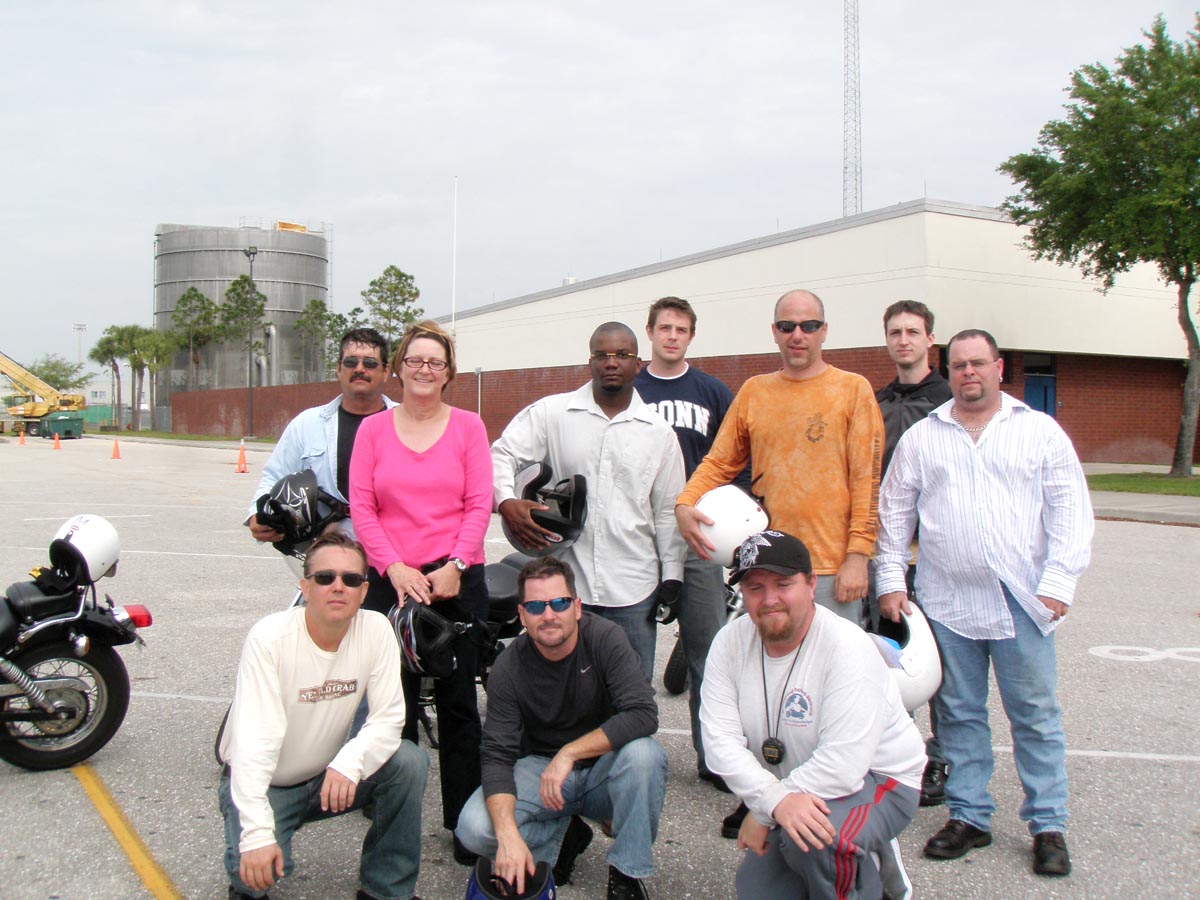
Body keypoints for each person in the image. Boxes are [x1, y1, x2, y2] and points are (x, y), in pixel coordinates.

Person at [876, 328, 1093, 878]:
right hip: (947, 602)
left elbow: (1069, 507)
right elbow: (894, 511)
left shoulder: (1038, 431)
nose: (968, 372)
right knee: (957, 713)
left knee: (1035, 715)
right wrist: (891, 580)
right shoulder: (924, 437)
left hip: (1023, 600)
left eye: (978, 363)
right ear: (948, 372)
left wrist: (1059, 580)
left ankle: (1048, 825)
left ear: (999, 368)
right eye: (959, 365)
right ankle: (969, 816)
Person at [700, 530, 925, 900]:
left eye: (783, 584)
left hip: (878, 780)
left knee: (816, 841)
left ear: (811, 584)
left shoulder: (847, 647)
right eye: (755, 588)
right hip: (794, 785)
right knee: (757, 891)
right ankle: (863, 855)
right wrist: (775, 803)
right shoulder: (729, 643)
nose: (769, 599)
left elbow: (844, 764)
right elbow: (719, 744)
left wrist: (764, 810)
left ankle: (869, 872)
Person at [349, 319, 493, 864]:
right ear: (399, 368)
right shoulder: (373, 432)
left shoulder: (468, 428)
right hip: (393, 583)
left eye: (435, 362)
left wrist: (456, 563)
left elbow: (479, 503)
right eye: (415, 360)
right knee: (395, 710)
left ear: (449, 372)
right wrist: (393, 568)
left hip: (456, 581)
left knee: (459, 709)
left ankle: (464, 826)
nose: (425, 370)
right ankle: (395, 826)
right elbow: (363, 508)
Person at [217, 531, 428, 900]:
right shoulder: (269, 638)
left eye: (351, 579)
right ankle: (254, 845)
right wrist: (257, 834)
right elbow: (255, 741)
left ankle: (387, 888)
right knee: (253, 879)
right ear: (305, 586)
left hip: (327, 775)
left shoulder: (376, 630)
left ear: (364, 590)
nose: (338, 587)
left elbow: (388, 718)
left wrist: (348, 762)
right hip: (268, 784)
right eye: (325, 577)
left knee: (409, 762)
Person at [455, 556, 667, 900]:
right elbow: (497, 756)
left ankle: (626, 874)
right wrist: (507, 836)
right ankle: (564, 834)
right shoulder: (508, 666)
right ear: (522, 614)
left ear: (577, 607)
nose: (549, 614)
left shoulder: (605, 638)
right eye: (536, 606)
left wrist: (570, 752)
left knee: (645, 755)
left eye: (560, 603)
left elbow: (643, 713)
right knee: (474, 830)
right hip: (541, 773)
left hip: (603, 769)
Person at [676, 289, 884, 626]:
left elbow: (867, 480)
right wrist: (685, 503)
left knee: (833, 658)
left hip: (830, 568)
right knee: (769, 656)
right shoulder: (754, 392)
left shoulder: (853, 390)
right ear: (774, 332)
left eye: (808, 326)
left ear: (824, 331)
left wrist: (858, 555)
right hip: (767, 563)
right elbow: (719, 462)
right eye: (787, 326)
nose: (797, 335)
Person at [491, 321, 685, 681]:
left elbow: (667, 511)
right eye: (602, 355)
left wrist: (672, 576)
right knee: (564, 692)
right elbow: (502, 453)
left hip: (634, 590)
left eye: (622, 354)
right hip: (567, 589)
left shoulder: (659, 434)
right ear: (590, 362)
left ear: (637, 364)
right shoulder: (553, 414)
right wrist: (505, 501)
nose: (611, 362)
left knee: (630, 694)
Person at [633, 295, 745, 792]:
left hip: (700, 536)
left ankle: (714, 757)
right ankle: (628, 757)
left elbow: (737, 458)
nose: (672, 336)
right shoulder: (630, 389)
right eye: (665, 328)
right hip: (640, 540)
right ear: (650, 332)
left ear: (691, 336)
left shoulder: (712, 391)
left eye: (681, 329)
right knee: (631, 652)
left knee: (709, 651)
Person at [872, 300, 952, 808]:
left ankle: (941, 757)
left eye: (913, 332)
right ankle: (897, 755)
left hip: (934, 558)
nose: (904, 340)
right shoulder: (875, 401)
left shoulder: (948, 401)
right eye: (895, 332)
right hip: (886, 558)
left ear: (929, 340)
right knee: (890, 663)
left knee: (940, 668)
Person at [246, 327, 395, 544]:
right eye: (350, 362)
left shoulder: (407, 424)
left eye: (370, 363)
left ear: (386, 371)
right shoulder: (307, 424)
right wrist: (257, 514)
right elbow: (275, 476)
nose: (359, 369)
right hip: (321, 546)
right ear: (338, 369)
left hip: (392, 547)